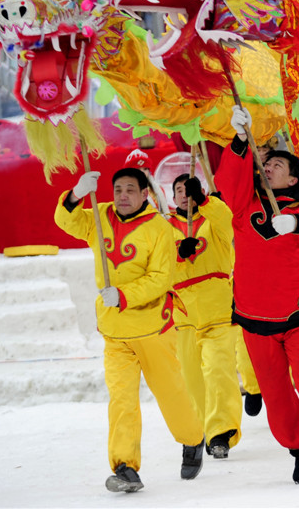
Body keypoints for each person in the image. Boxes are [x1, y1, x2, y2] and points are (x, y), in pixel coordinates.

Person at [54, 168, 205, 494]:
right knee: (121, 400)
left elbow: (160, 279)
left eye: (130, 190)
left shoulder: (159, 229)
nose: (122, 196)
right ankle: (125, 467)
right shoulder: (100, 215)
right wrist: (76, 194)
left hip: (153, 327)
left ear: (145, 194)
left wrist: (123, 295)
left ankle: (193, 439)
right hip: (115, 331)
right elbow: (67, 222)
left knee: (170, 392)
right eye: (118, 189)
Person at [219, 107, 299, 484]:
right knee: (275, 392)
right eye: (266, 162)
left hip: (296, 314)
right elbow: (229, 180)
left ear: (294, 176)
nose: (269, 167)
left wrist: (297, 222)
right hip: (254, 318)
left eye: (277, 163)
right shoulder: (245, 204)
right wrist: (241, 139)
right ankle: (297, 449)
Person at [166, 174, 242, 460]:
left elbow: (227, 221)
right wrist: (176, 255)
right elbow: (157, 264)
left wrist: (207, 200)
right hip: (183, 315)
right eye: (179, 191)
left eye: (190, 190)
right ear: (172, 197)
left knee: (218, 370)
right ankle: (201, 430)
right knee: (192, 378)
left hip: (218, 310)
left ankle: (221, 432)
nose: (184, 195)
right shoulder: (163, 226)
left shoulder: (214, 218)